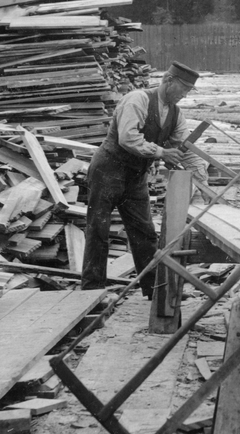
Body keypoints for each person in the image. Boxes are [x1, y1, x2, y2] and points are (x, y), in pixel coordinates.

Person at [82, 61, 208, 297]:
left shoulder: (175, 112)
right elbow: (127, 138)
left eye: (189, 91)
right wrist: (161, 153)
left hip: (136, 176)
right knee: (98, 229)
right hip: (109, 169)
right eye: (183, 88)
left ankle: (153, 291)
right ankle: (91, 291)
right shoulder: (137, 99)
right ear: (168, 81)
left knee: (145, 233)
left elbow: (183, 148)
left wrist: (200, 174)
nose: (184, 95)